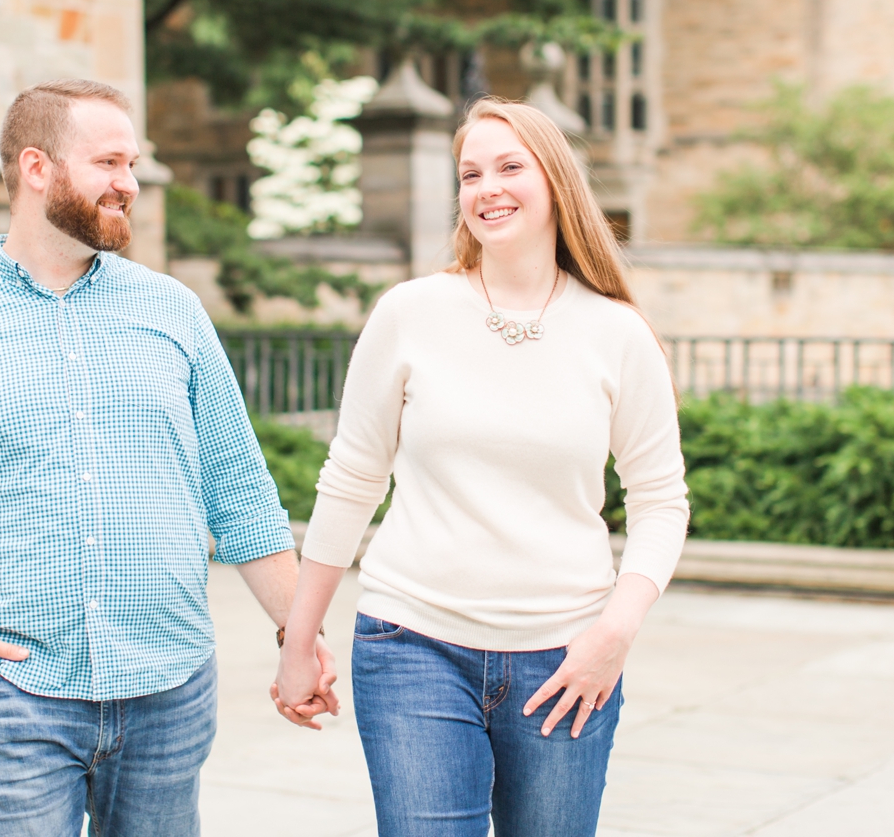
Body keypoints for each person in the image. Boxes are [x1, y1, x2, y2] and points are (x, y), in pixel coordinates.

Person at [0, 79, 335, 837]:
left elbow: (239, 490)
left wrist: (297, 634)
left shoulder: (173, 311)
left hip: (169, 690)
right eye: (109, 162)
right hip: (10, 693)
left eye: (133, 164)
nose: (130, 184)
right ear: (37, 167)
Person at [272, 98, 691, 836]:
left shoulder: (617, 334)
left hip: (567, 660)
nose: (486, 187)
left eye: (508, 167)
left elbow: (660, 499)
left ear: (556, 182)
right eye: (470, 173)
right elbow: (351, 480)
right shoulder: (410, 313)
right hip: (412, 645)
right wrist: (299, 641)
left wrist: (614, 634)